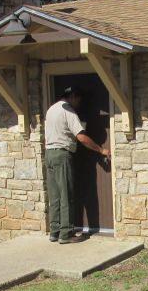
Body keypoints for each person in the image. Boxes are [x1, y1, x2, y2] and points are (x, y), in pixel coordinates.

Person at [44, 86, 111, 244]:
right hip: (61, 155)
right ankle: (66, 234)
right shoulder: (67, 111)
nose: (79, 103)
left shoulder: (51, 109)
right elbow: (81, 137)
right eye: (78, 99)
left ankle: (54, 231)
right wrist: (101, 149)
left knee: (55, 196)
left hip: (49, 154)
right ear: (73, 96)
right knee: (66, 195)